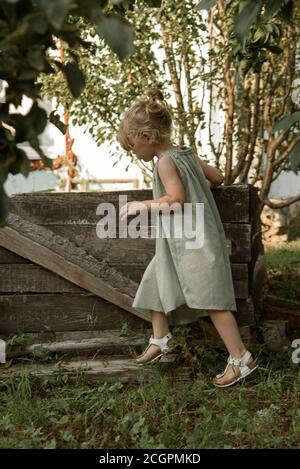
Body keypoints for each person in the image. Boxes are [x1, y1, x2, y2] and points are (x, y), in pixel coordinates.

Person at [117, 88, 257, 387]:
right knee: (156, 278)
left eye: (132, 146)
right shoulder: (186, 154)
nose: (134, 153)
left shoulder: (165, 162)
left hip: (194, 241)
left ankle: (240, 357)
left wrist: (142, 205)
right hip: (183, 238)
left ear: (147, 137)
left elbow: (176, 200)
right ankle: (160, 338)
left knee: (212, 298)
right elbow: (218, 177)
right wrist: (198, 184)